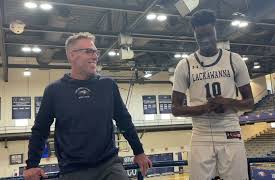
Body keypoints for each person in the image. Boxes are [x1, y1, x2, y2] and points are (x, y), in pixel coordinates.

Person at [23, 32, 152, 180]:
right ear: (72, 55)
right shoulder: (54, 91)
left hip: (109, 165)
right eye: (89, 51)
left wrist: (139, 151)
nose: (95, 56)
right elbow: (40, 130)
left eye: (96, 52)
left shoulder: (108, 85)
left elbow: (124, 120)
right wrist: (32, 165)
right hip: (73, 169)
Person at [172, 9, 254, 180]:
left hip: (230, 129)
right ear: (194, 34)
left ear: (215, 30)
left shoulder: (234, 59)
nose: (205, 40)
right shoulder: (185, 65)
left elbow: (250, 102)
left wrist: (228, 102)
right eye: (200, 36)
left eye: (208, 34)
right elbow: (175, 108)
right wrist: (203, 108)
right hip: (200, 132)